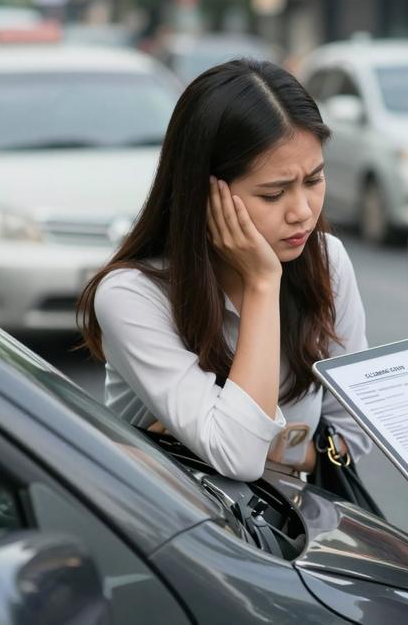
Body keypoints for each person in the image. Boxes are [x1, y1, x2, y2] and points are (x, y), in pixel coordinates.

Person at [77, 59, 371, 482]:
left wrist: (267, 444)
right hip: (170, 533)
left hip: (290, 532)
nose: (303, 212)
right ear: (204, 192)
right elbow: (238, 457)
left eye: (314, 180)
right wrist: (262, 284)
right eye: (273, 194)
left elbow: (353, 434)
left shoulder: (326, 260)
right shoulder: (132, 295)